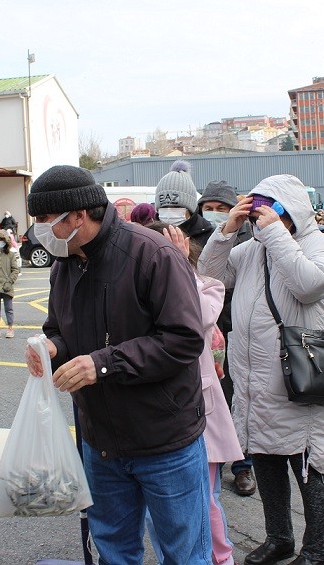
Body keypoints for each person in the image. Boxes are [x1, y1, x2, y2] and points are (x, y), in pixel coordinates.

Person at [23, 165, 211, 563]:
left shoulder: (151, 254)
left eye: (44, 221)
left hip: (165, 442)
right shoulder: (64, 265)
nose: (38, 231)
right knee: (113, 551)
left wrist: (103, 364)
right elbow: (58, 327)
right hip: (101, 443)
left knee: (184, 554)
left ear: (77, 216)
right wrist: (51, 347)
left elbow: (185, 338)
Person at [198, 174, 324, 565]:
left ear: (289, 209)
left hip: (299, 376)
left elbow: (310, 284)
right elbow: (210, 276)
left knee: (310, 465)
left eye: (271, 208)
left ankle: (318, 551)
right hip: (253, 378)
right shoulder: (251, 251)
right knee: (266, 458)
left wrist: (276, 234)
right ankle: (280, 538)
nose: (261, 217)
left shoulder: (318, 244)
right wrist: (227, 231)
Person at [146, 221, 244, 565]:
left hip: (202, 414)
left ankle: (222, 559)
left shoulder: (207, 286)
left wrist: (178, 266)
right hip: (158, 415)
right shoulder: (144, 288)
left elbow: (194, 317)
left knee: (205, 501)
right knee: (159, 511)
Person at [197, 179, 256, 497]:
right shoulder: (191, 235)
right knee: (209, 396)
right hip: (204, 329)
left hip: (235, 327)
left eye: (223, 209)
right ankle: (211, 462)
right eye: (209, 209)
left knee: (237, 395)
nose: (216, 214)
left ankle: (243, 465)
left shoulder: (247, 235)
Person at [155, 160, 214, 247]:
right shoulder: (150, 235)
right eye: (164, 206)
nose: (169, 211)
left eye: (177, 206)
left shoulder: (209, 237)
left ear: (190, 209)